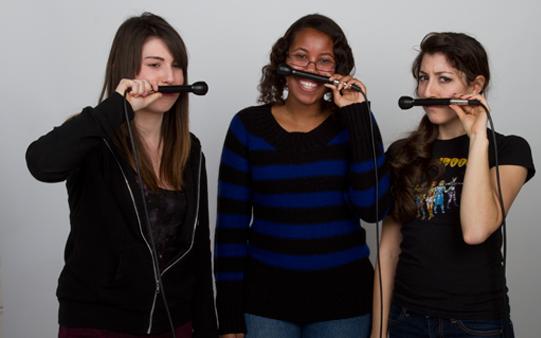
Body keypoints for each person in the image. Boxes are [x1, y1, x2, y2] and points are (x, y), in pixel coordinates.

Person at [25, 12, 217, 338]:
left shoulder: (189, 149)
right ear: (128, 70)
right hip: (99, 323)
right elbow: (41, 163)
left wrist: (208, 330)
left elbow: (198, 251)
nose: (170, 76)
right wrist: (119, 107)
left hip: (176, 323)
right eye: (155, 65)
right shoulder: (93, 137)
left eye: (176, 64)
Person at [214, 13, 389, 338]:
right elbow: (230, 229)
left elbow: (374, 208)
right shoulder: (247, 127)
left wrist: (357, 116)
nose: (310, 68)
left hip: (344, 303)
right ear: (283, 61)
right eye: (301, 56)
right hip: (265, 303)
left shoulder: (357, 123)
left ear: (337, 71)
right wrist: (228, 315)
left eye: (324, 60)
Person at [371, 32, 535, 338]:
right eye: (423, 78)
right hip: (406, 320)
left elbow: (475, 230)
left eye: (443, 79)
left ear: (475, 87)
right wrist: (378, 332)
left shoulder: (510, 150)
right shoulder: (401, 155)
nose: (428, 90)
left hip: (475, 325)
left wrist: (477, 139)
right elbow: (388, 250)